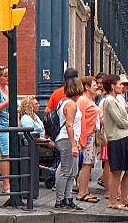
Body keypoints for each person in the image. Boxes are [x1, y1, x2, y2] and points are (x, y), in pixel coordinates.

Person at [100, 75, 128, 211]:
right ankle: (113, 201)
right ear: (112, 86)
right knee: (116, 171)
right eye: (120, 84)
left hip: (123, 137)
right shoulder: (109, 101)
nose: (122, 86)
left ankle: (124, 198)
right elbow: (119, 120)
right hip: (117, 139)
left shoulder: (115, 100)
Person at [55, 77, 84, 211]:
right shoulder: (71, 105)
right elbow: (69, 125)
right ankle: (60, 200)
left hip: (68, 139)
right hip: (67, 139)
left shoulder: (63, 102)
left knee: (72, 171)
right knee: (66, 171)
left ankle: (68, 199)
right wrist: (73, 144)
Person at [75, 76, 101, 203]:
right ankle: (82, 192)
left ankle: (85, 190)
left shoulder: (89, 100)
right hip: (87, 136)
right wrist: (82, 139)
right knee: (86, 164)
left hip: (91, 135)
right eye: (94, 84)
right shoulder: (82, 100)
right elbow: (81, 120)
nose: (96, 87)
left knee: (89, 164)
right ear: (86, 86)